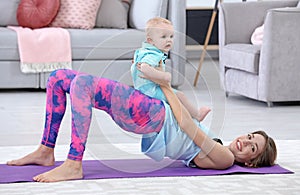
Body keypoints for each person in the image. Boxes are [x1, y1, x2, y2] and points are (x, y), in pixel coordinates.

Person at [7, 67, 277, 182]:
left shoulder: (225, 158)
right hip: (153, 111)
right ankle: (45, 150)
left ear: (250, 163)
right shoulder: (220, 145)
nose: (246, 142)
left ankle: (74, 164)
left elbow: (183, 122)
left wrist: (165, 84)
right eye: (251, 136)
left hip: (154, 117)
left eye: (252, 149)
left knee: (82, 85)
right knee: (58, 78)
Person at [131, 17, 210, 122]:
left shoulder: (142, 51)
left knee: (176, 98)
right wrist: (164, 76)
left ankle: (186, 117)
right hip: (151, 92)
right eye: (163, 37)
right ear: (151, 41)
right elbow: (145, 67)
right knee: (179, 96)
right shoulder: (154, 54)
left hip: (142, 90)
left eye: (171, 36)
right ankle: (197, 115)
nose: (169, 40)